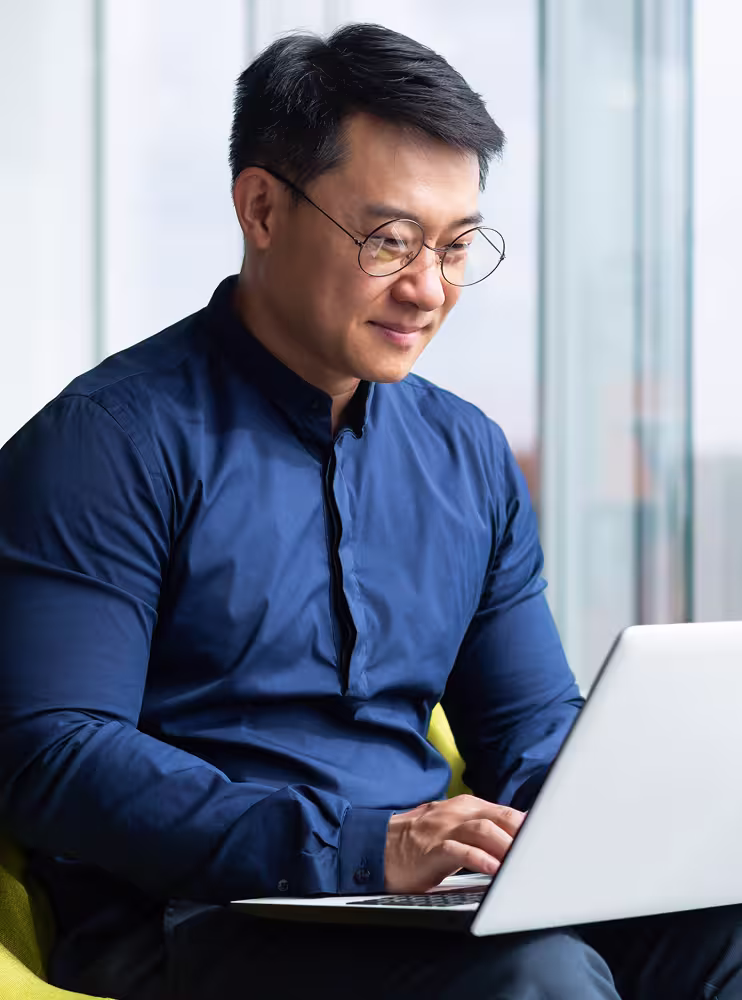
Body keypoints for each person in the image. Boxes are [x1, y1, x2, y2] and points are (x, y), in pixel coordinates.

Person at [0, 22, 740, 1000]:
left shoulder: (466, 456)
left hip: (426, 906)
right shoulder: (107, 442)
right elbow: (54, 753)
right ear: (261, 207)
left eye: (457, 246)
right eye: (389, 240)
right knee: (538, 978)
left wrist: (642, 831)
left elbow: (527, 730)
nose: (428, 289)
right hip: (192, 919)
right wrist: (361, 845)